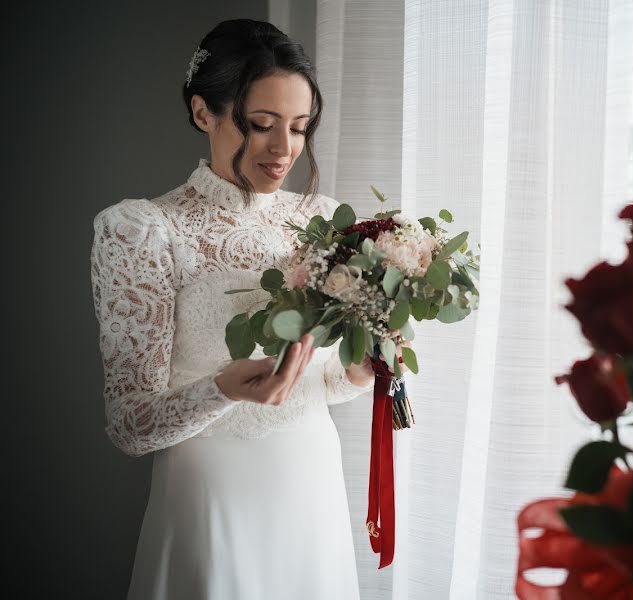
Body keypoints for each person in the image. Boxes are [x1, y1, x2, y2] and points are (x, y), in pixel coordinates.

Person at [90, 18, 406, 599]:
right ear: (202, 113)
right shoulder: (142, 229)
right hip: (211, 483)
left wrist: (357, 375)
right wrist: (223, 390)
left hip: (309, 472)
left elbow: (310, 381)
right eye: (260, 125)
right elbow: (131, 425)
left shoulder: (326, 219)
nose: (283, 149)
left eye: (299, 127)